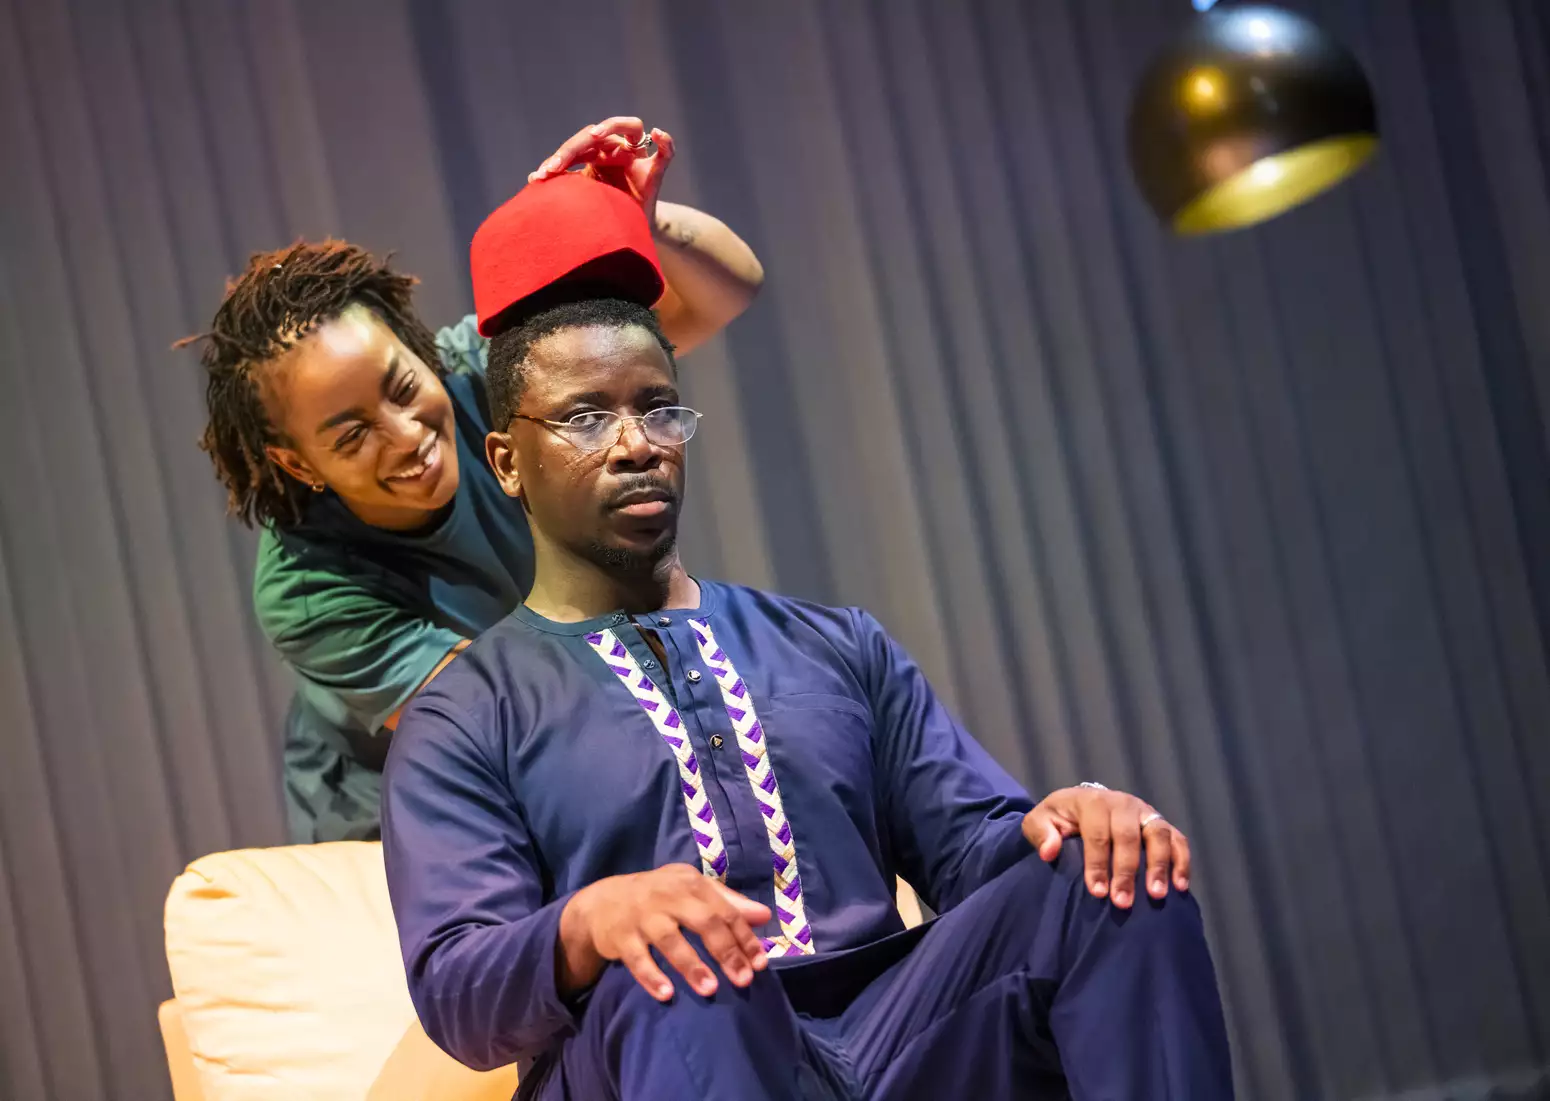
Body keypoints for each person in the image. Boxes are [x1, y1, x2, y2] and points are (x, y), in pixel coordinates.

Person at [379, 178, 1235, 1099]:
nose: (637, 444)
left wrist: (1076, 821)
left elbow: (977, 848)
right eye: (588, 417)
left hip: (899, 1031)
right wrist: (591, 921)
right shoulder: (467, 714)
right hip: (665, 1044)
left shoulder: (833, 644)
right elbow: (459, 991)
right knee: (684, 967)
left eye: (659, 407)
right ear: (506, 460)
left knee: (1112, 881)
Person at [180, 117, 764, 842]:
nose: (406, 438)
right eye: (353, 433)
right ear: (298, 463)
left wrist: (624, 227)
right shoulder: (307, 588)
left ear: (422, 353)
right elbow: (503, 709)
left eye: (401, 386)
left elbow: (727, 289)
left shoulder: (486, 373)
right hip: (404, 793)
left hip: (570, 711)